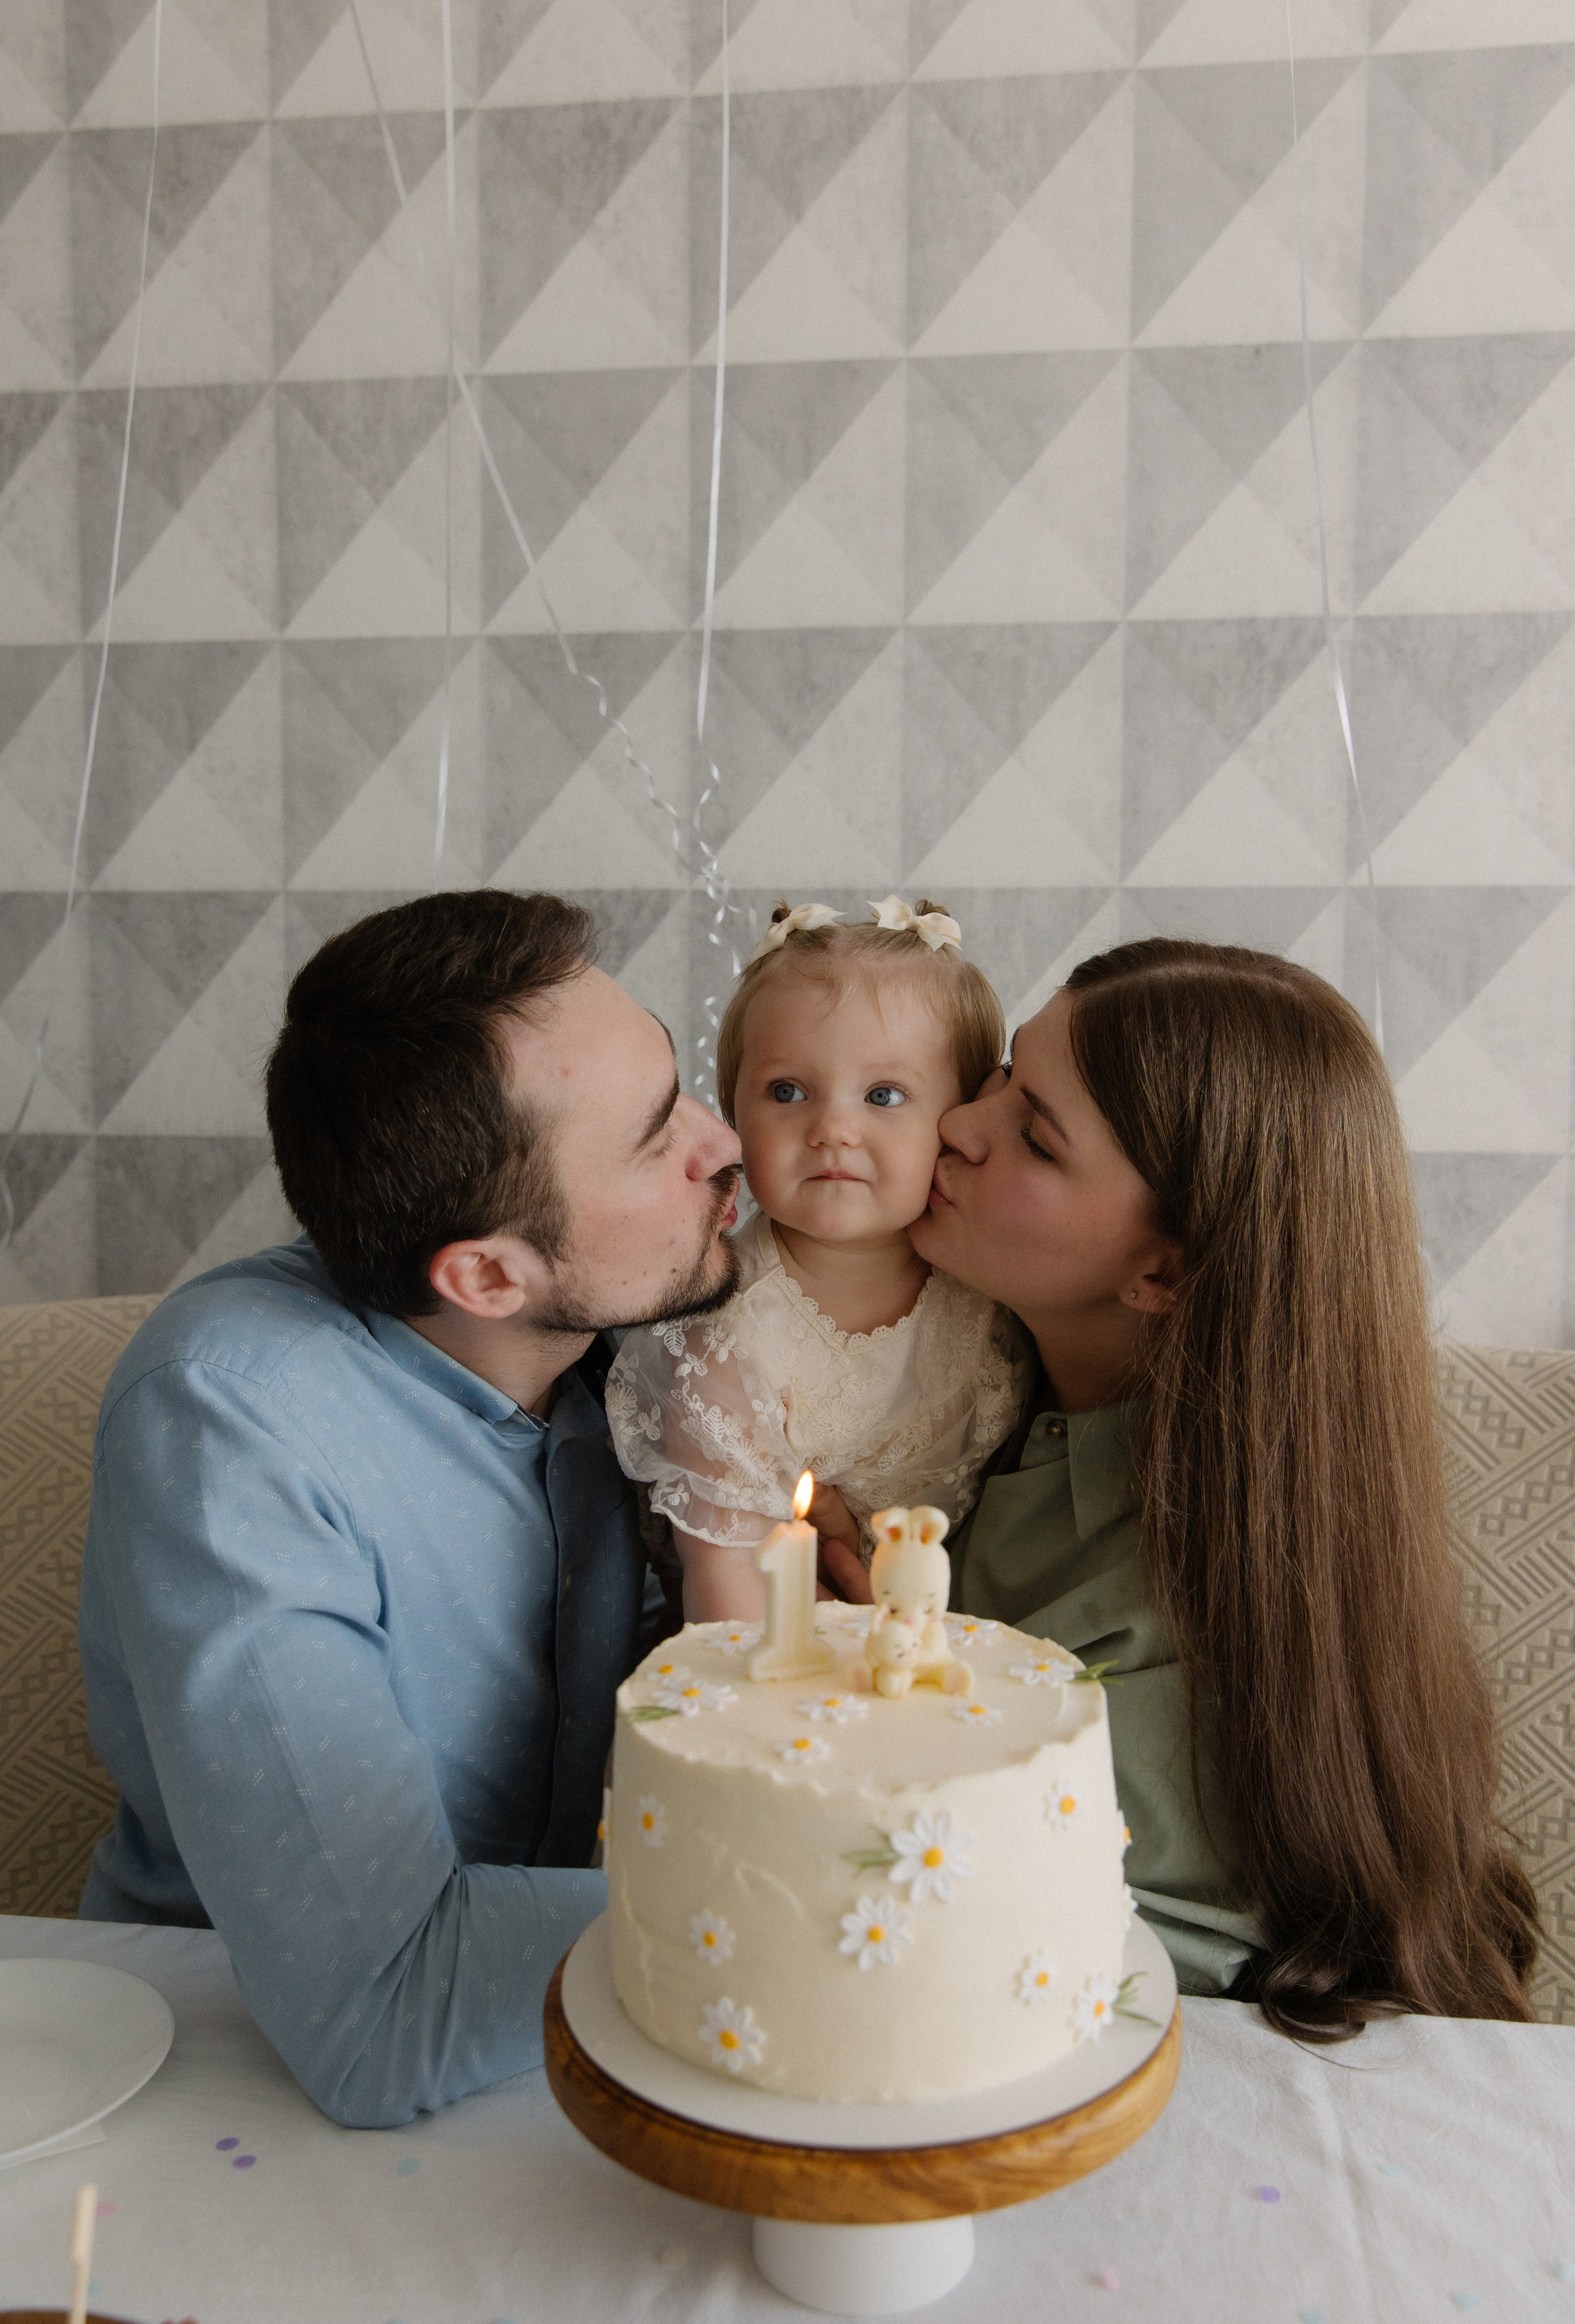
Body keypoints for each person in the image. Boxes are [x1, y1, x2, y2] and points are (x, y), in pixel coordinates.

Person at [78, 890, 743, 2124]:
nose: (726, 1143)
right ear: (487, 1275)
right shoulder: (228, 1416)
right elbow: (378, 2011)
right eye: (657, 1141)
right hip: (222, 2081)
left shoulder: (642, 1349)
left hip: (586, 2029)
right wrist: (815, 1922)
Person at [822, 937, 1540, 2031]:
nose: (958, 1123)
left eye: (1037, 1137)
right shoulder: (953, 1373)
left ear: (1163, 1271)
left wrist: (877, 1688)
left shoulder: (1177, 1631)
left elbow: (1041, 1953)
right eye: (1004, 1074)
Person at [606, 896, 1027, 1624]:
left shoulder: (994, 1283)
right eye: (787, 1091)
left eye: (883, 1095)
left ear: (960, 1119)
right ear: (733, 1114)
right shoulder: (726, 1337)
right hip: (788, 1649)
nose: (833, 1128)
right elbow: (729, 1590)